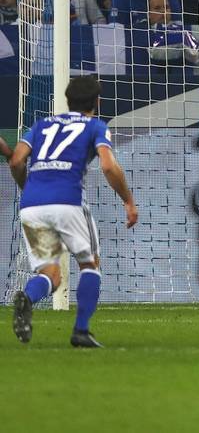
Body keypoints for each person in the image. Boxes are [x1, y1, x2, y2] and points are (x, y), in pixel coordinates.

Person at [10, 75, 138, 348]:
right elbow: (108, 166)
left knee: (50, 274)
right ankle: (81, 331)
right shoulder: (95, 126)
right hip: (68, 201)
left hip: (32, 205)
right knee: (89, 264)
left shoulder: (41, 125)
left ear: (67, 100)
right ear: (97, 101)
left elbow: (17, 160)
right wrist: (128, 200)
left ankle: (28, 298)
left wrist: (29, 188)